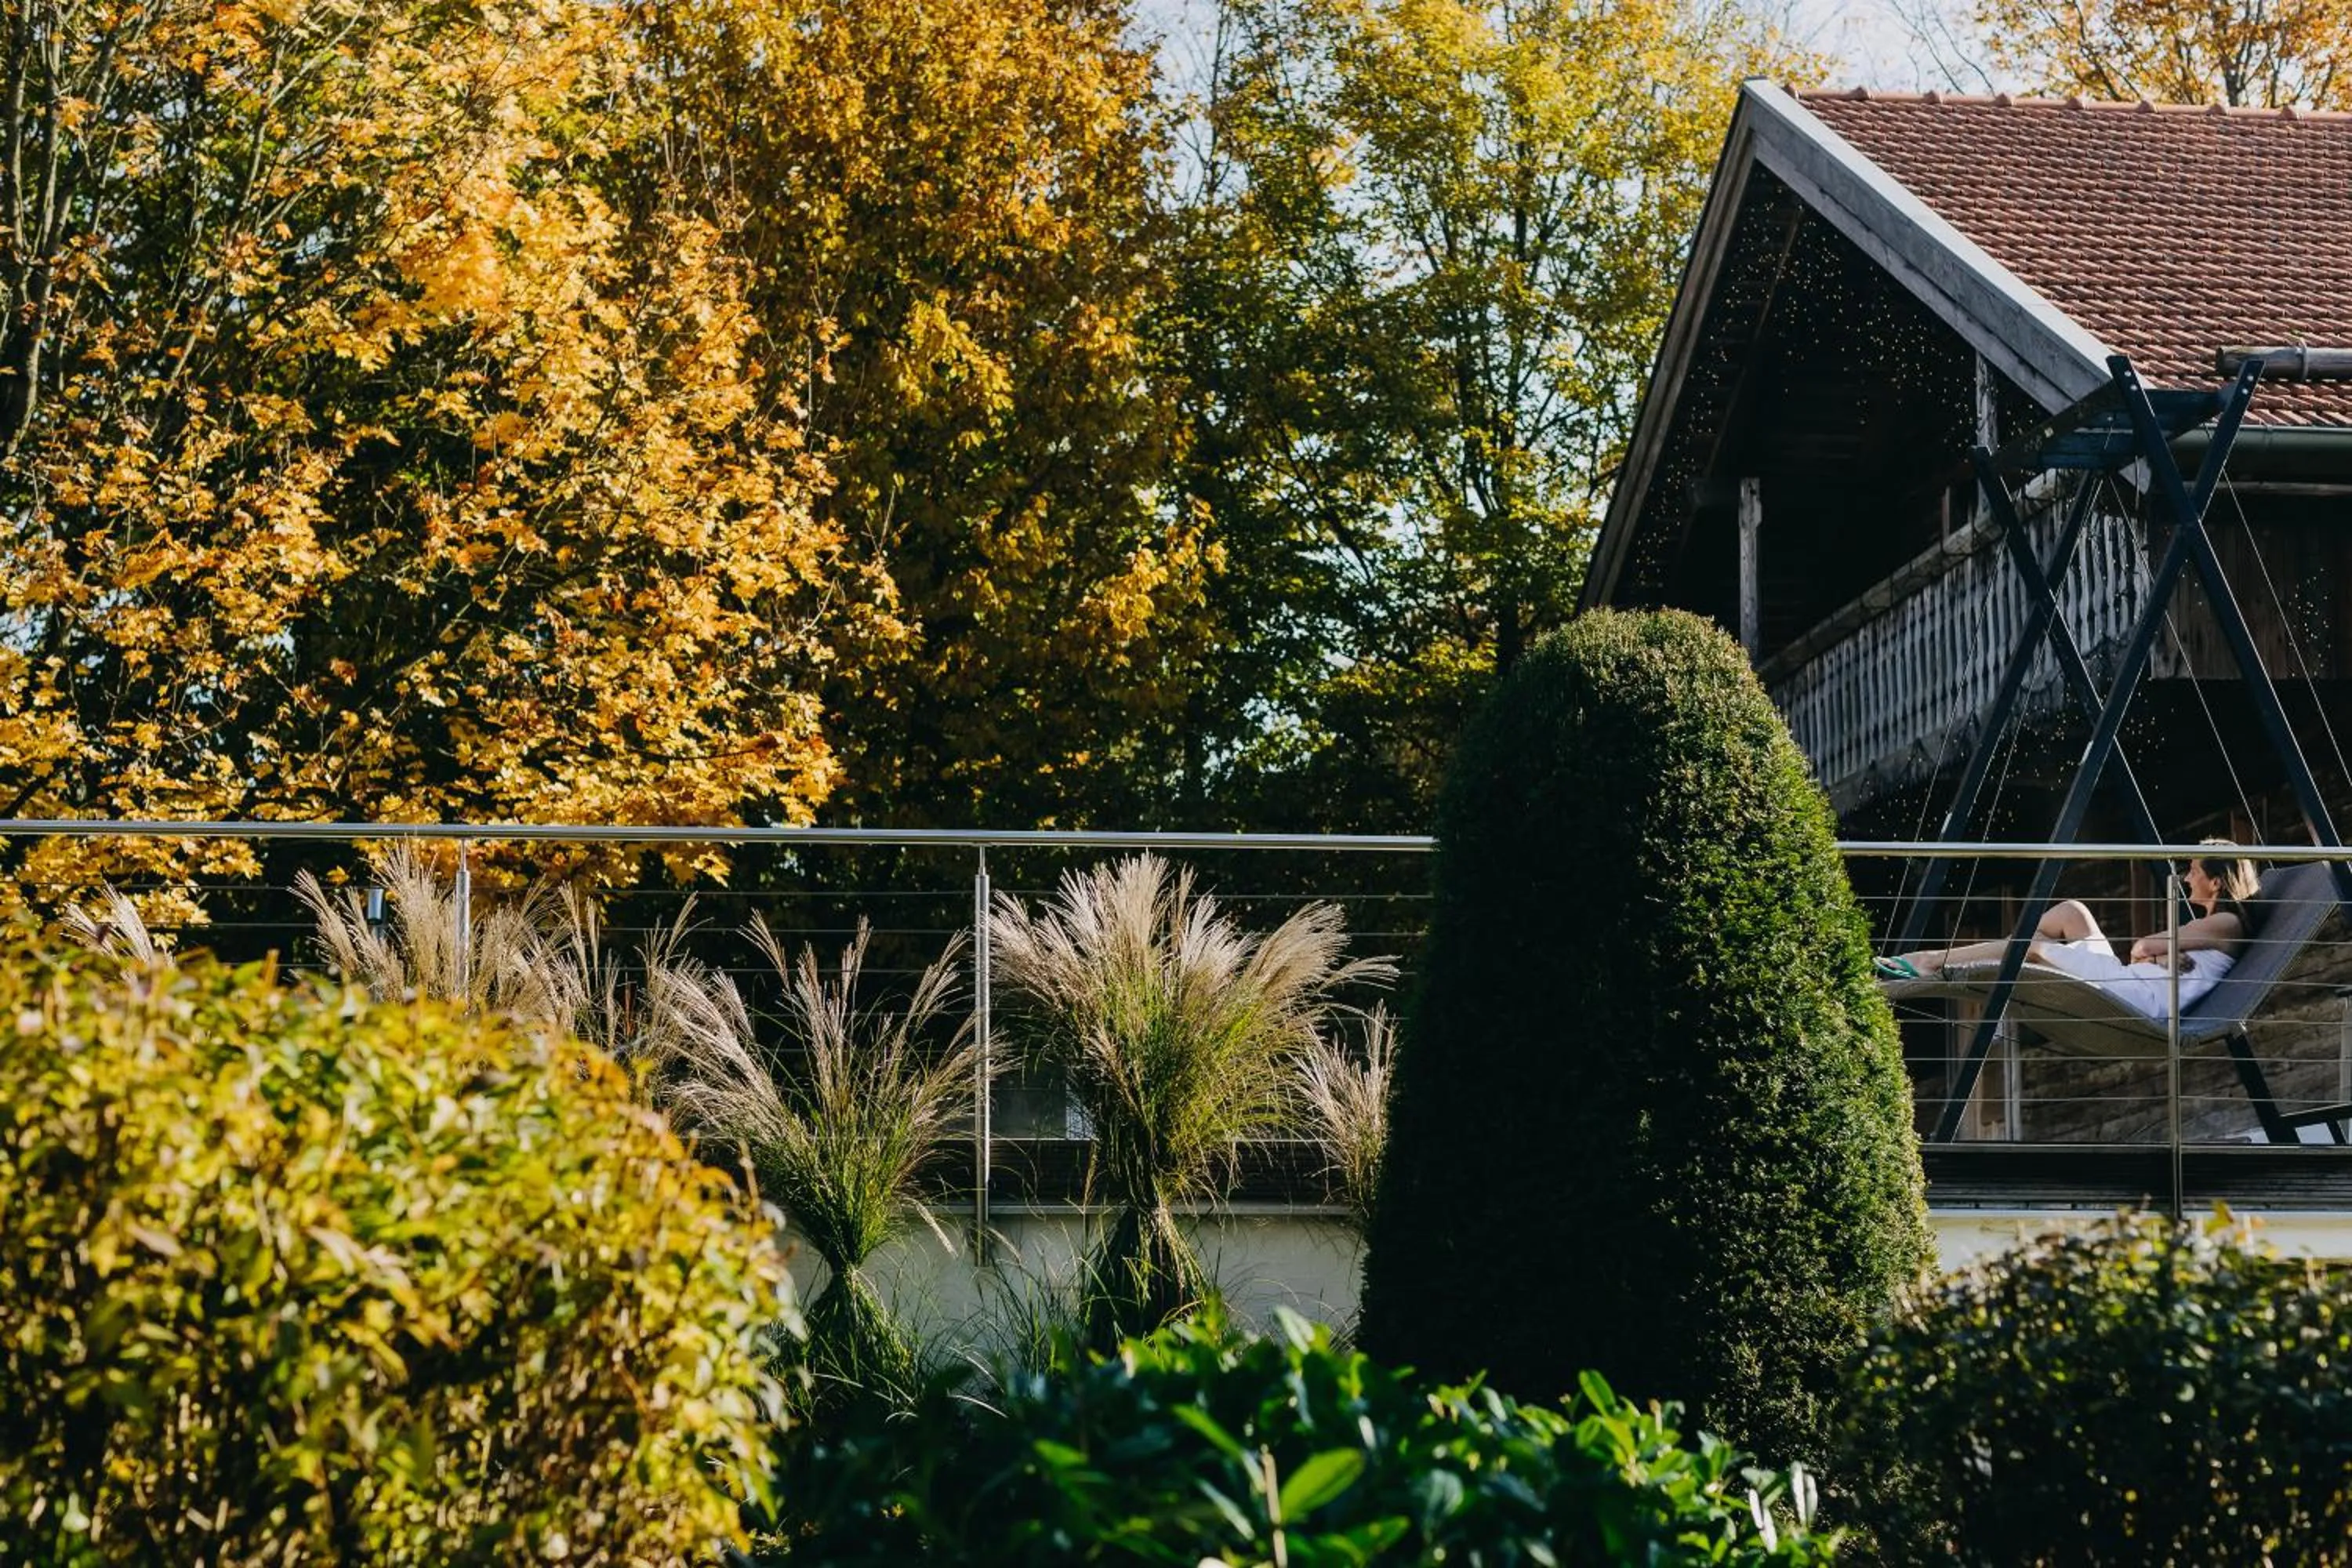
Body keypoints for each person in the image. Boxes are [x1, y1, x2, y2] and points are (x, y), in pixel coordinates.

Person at [1875, 840, 2262, 1021]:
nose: (2186, 876)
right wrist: (2159, 954)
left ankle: (1928, 962)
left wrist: (2156, 952)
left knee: (2036, 950)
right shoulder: (2211, 925)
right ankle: (1996, 950)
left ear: (2216, 881)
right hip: (2129, 982)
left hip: (2140, 1000)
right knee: (2071, 912)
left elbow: (2143, 945)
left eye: (2195, 869)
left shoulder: (2226, 923)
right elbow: (2146, 953)